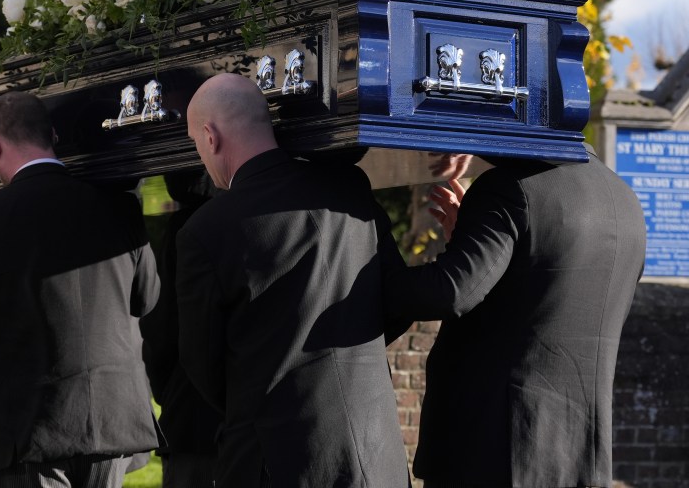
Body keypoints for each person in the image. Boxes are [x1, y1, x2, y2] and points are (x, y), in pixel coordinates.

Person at [175, 73, 410, 488]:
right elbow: (395, 300)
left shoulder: (205, 231)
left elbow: (203, 363)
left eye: (195, 143)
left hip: (276, 457)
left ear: (210, 137)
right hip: (373, 451)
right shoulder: (349, 188)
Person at [0, 91, 163, 488]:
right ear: (52, 135)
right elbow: (146, 296)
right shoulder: (118, 207)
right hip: (112, 415)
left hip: (28, 422)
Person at [390, 149, 647, 488]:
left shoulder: (510, 188)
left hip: (491, 451)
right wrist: (467, 243)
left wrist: (363, 272)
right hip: (577, 455)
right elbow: (540, 293)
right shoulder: (626, 201)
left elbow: (450, 293)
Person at [139, 169, 222, 488]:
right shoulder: (251, 213)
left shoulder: (183, 232)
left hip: (191, 415)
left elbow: (161, 327)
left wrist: (167, 389)